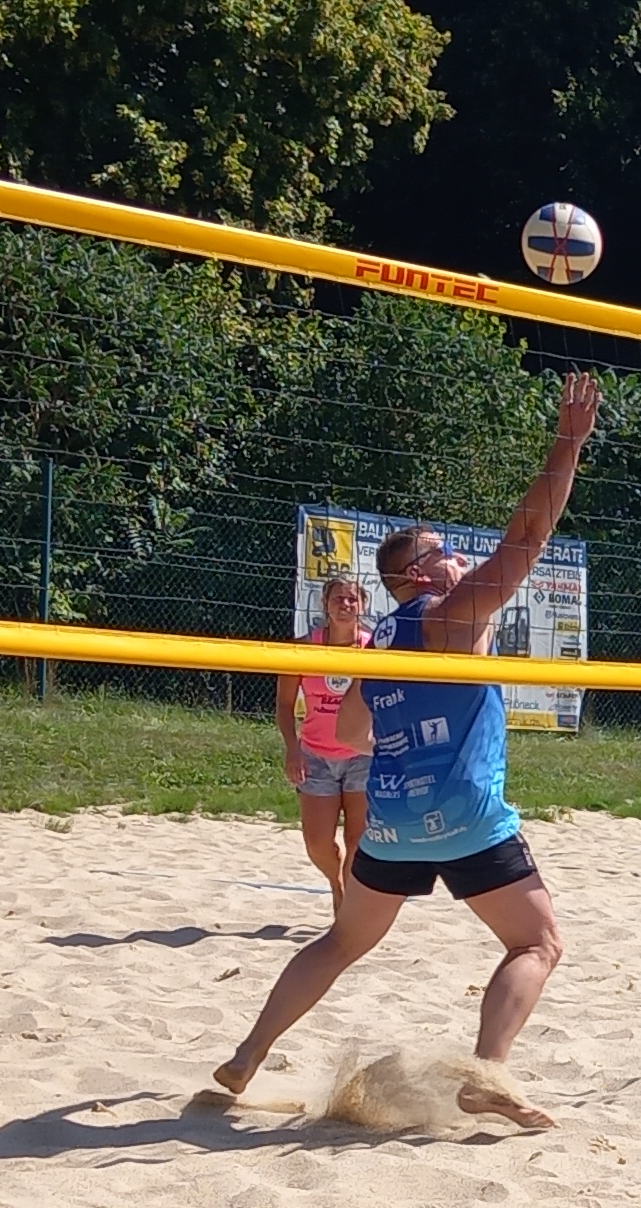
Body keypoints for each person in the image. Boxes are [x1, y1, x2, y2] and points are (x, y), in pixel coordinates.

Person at [211, 372, 603, 1128]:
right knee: (538, 943)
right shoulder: (450, 615)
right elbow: (527, 540)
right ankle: (488, 1074)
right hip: (465, 814)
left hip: (391, 821)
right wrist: (568, 443)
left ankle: (249, 1053)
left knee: (341, 942)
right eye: (444, 551)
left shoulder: (380, 645)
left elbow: (351, 733)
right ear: (419, 575)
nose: (457, 556)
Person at [281, 573, 377, 891]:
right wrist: (292, 748)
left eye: (352, 599)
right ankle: (336, 884)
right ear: (325, 603)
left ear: (363, 606)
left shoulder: (374, 649)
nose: (345, 604)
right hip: (316, 754)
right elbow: (284, 705)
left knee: (358, 842)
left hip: (362, 755)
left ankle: (346, 902)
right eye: (338, 598)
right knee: (318, 844)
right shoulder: (303, 648)